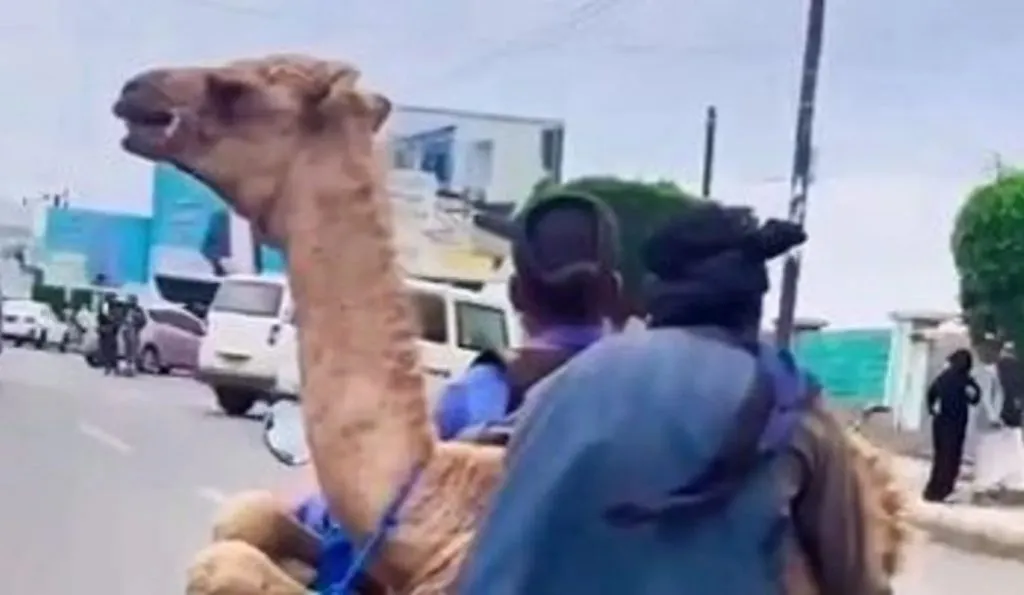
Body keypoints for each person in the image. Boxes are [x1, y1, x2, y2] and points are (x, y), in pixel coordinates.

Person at [457, 203, 891, 595]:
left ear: (656, 295)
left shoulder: (558, 389)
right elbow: (855, 580)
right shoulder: (792, 406)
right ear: (753, 302)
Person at [293, 192, 623, 591]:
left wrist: (307, 514)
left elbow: (381, 507)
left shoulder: (480, 393)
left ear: (517, 293)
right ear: (614, 291)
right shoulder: (647, 397)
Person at [922, 349, 980, 502]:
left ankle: (932, 490)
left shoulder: (944, 377)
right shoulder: (966, 380)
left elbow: (930, 394)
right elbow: (975, 398)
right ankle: (943, 490)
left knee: (940, 456)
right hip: (956, 424)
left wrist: (932, 410)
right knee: (952, 458)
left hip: (940, 422)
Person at [973, 345, 1024, 499]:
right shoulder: (992, 372)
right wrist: (993, 416)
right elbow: (987, 396)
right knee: (995, 457)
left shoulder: (1005, 371)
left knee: (1007, 457)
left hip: (1006, 422)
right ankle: (985, 489)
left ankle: (1001, 487)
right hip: (1000, 422)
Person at [120, 295, 145, 376]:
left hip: (134, 331)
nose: (130, 303)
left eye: (132, 301)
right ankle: (127, 367)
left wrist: (137, 325)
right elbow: (121, 318)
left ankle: (132, 368)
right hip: (126, 331)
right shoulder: (125, 309)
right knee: (127, 349)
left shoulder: (139, 310)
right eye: (130, 301)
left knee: (133, 350)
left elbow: (143, 321)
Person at [96, 294, 120, 376]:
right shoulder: (105, 307)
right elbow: (100, 318)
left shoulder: (114, 309)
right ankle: (109, 367)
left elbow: (116, 321)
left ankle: (114, 367)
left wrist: (113, 328)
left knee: (111, 351)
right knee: (106, 350)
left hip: (110, 332)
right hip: (105, 331)